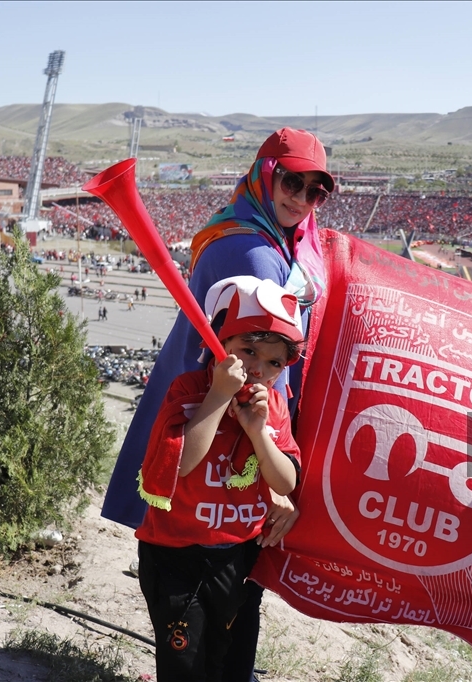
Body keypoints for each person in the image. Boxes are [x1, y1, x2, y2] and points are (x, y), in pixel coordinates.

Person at [101, 127, 334, 681]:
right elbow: (255, 358)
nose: (301, 199)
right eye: (290, 181)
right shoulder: (251, 250)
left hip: (237, 436)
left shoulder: (268, 229)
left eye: (315, 190)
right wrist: (271, 467)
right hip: (217, 413)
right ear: (263, 174)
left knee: (228, 623)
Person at [136, 276, 304, 681]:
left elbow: (285, 482)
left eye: (274, 362)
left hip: (235, 556)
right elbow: (178, 468)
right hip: (174, 556)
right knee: (184, 664)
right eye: (248, 351)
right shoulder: (190, 390)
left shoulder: (273, 406)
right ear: (220, 345)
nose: (258, 369)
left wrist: (258, 431)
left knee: (226, 661)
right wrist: (218, 396)